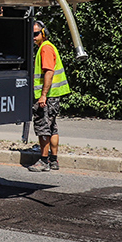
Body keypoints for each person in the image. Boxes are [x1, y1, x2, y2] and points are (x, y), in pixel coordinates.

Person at [29, 20, 72, 171]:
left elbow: (49, 72)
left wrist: (43, 95)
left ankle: (43, 161)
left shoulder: (45, 49)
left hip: (47, 97)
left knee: (43, 129)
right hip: (54, 96)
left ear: (43, 33)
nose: (33, 37)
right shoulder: (48, 47)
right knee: (53, 128)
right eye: (31, 34)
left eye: (35, 34)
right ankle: (54, 160)